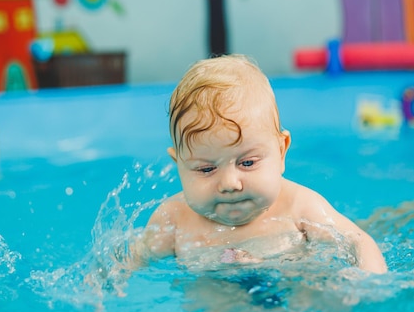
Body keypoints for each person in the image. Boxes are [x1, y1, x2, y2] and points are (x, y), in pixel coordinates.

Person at [130, 54, 387, 274]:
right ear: (179, 164)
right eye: (206, 169)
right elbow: (134, 257)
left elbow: (359, 242)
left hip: (290, 293)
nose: (229, 183)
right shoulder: (174, 219)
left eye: (248, 162)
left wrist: (366, 285)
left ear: (281, 150)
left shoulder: (299, 206)